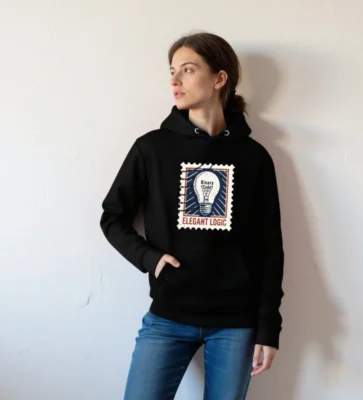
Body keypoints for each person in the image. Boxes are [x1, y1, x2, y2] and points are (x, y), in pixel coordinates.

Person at [100, 31, 285, 400]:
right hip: (168, 317)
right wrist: (149, 258)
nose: (175, 81)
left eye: (187, 69)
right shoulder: (152, 148)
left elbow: (269, 249)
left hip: (235, 323)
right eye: (172, 71)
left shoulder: (254, 157)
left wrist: (269, 328)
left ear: (219, 78)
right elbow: (112, 217)